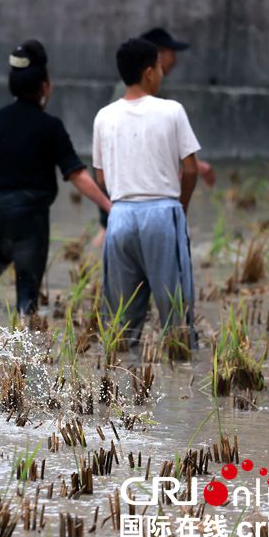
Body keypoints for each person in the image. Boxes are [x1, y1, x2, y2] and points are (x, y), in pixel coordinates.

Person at [0, 41, 111, 315]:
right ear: (44, 86)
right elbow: (76, 174)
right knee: (27, 291)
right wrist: (110, 207)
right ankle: (25, 338)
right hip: (28, 213)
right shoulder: (49, 126)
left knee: (0, 253)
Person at [93, 38, 200, 346]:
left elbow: (101, 176)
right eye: (159, 68)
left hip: (120, 217)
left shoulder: (104, 116)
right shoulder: (172, 110)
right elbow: (190, 169)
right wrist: (181, 207)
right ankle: (179, 382)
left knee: (121, 321)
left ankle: (119, 384)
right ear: (149, 71)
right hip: (162, 212)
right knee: (176, 318)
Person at [93, 27, 214, 247]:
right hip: (133, 195)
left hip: (126, 203)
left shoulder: (156, 95)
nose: (173, 61)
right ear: (154, 61)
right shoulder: (137, 98)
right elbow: (127, 142)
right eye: (170, 54)